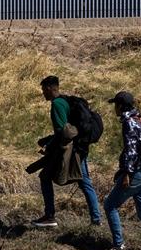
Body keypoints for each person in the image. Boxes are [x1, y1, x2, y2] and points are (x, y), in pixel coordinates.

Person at [31, 76, 102, 228]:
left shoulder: (57, 104)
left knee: (46, 177)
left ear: (51, 88)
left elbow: (62, 132)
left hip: (71, 150)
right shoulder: (65, 101)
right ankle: (96, 219)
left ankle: (50, 217)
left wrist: (48, 146)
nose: (43, 93)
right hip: (80, 147)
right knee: (84, 182)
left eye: (44, 90)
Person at [99, 90, 141, 250]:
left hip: (136, 174)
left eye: (115, 105)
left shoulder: (129, 123)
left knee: (110, 205)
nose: (114, 109)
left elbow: (131, 151)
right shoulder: (140, 119)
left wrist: (126, 173)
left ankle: (118, 246)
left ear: (120, 105)